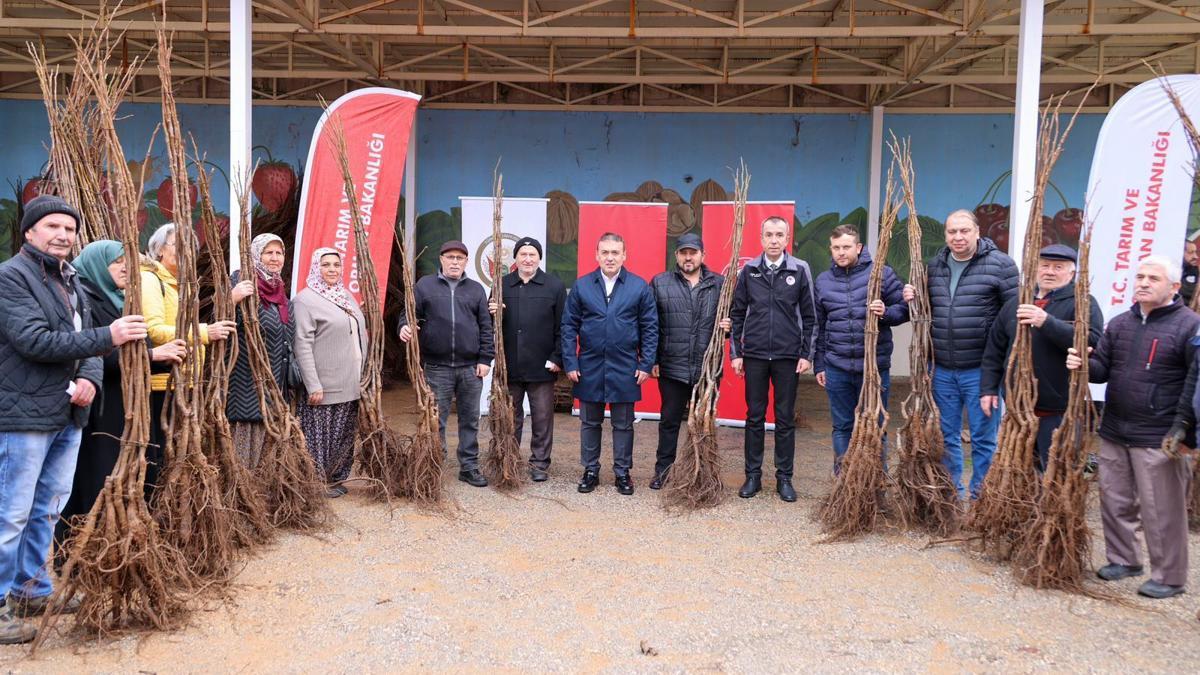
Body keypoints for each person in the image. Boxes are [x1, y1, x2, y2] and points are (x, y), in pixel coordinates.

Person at [0, 196, 149, 644]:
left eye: (69, 228)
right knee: (11, 513)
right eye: (52, 226)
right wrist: (109, 335)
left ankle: (32, 591)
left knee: (46, 510)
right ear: (29, 232)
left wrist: (89, 379)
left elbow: (82, 342)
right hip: (22, 414)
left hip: (67, 413)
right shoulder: (11, 278)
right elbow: (33, 340)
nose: (62, 235)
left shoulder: (72, 280)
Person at [1067, 256, 1199, 599]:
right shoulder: (1121, 323)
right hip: (1115, 429)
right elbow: (1102, 371)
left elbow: (1194, 382)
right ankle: (1124, 559)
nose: (1142, 282)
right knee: (1115, 498)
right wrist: (1083, 362)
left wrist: (1183, 429)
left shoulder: (1188, 326)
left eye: (1152, 278)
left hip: (1158, 434)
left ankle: (1170, 577)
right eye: (1139, 276)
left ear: (1172, 287)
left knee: (1161, 508)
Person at [55, 241, 185, 558]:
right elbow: (93, 355)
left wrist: (156, 357)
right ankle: (75, 556)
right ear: (98, 266)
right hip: (101, 407)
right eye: (116, 263)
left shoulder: (121, 300)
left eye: (128, 261)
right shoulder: (85, 301)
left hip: (126, 402)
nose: (126, 267)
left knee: (120, 476)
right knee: (94, 479)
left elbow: (131, 351)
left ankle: (110, 552)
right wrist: (153, 354)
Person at [903, 209, 1017, 499]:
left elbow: (1013, 319)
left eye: (964, 231)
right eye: (952, 232)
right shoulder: (935, 266)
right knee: (946, 437)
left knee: (983, 438)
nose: (958, 237)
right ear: (945, 235)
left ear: (978, 232)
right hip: (941, 368)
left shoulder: (1001, 265)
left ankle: (982, 500)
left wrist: (1005, 369)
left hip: (981, 370)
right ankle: (953, 496)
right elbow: (924, 310)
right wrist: (911, 297)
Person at [979, 244, 1103, 471]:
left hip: (1059, 411)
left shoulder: (1083, 302)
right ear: (1035, 269)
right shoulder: (1016, 303)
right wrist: (988, 389)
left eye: (1058, 267)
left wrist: (1046, 322)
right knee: (1020, 474)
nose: (1050, 271)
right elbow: (994, 350)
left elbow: (1092, 341)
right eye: (1044, 265)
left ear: (1072, 273)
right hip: (1018, 410)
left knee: (1056, 473)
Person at [142, 223, 236, 491]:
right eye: (178, 246)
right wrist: (206, 332)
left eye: (190, 248)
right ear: (159, 250)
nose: (186, 253)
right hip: (163, 385)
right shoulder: (152, 280)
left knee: (176, 453)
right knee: (159, 453)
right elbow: (154, 331)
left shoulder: (178, 285)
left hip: (184, 382)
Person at [562, 232, 658, 495]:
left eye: (615, 252)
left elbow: (650, 328)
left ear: (624, 255)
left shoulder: (638, 287)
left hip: (626, 366)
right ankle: (590, 470)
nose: (610, 257)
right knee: (589, 422)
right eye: (605, 252)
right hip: (589, 366)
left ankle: (622, 472)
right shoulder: (582, 286)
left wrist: (646, 363)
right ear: (596, 255)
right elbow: (568, 326)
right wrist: (570, 362)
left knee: (623, 424)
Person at [729, 215, 817, 503]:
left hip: (787, 356)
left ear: (787, 237)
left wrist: (806, 354)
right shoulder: (749, 270)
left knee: (784, 418)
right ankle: (753, 475)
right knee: (754, 417)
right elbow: (738, 313)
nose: (775, 240)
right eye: (769, 234)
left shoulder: (800, 269)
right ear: (761, 238)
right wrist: (736, 353)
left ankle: (784, 478)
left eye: (780, 234)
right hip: (754, 355)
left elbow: (810, 316)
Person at [813, 224, 908, 475]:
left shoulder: (881, 274)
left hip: (874, 367)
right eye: (836, 248)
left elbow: (904, 310)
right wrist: (820, 364)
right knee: (842, 426)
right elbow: (819, 326)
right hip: (837, 367)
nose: (841, 252)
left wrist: (885, 313)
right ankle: (844, 481)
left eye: (846, 247)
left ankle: (875, 480)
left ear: (858, 247)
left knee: (875, 425)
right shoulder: (823, 281)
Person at [399, 240, 494, 488]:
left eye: (459, 258)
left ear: (465, 262)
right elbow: (409, 313)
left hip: (470, 367)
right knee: (435, 419)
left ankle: (469, 467)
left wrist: (485, 359)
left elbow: (486, 326)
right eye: (450, 257)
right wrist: (404, 326)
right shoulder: (425, 286)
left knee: (470, 418)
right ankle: (434, 465)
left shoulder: (476, 290)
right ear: (441, 259)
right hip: (437, 366)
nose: (455, 262)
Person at [649, 233, 727, 488]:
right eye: (683, 252)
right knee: (669, 421)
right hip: (672, 366)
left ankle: (700, 472)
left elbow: (732, 322)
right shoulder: (660, 283)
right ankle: (663, 472)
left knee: (703, 423)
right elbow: (652, 326)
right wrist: (653, 359)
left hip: (707, 368)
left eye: (693, 252)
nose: (688, 257)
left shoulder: (720, 284)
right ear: (677, 256)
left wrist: (730, 327)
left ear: (703, 255)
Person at [488, 237, 566, 482]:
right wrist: (494, 316)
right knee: (510, 418)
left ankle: (539, 464)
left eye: (533, 255)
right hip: (509, 366)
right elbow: (489, 326)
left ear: (539, 258)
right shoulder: (501, 285)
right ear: (516, 258)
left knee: (542, 418)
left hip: (542, 366)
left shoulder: (553, 286)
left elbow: (563, 327)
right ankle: (509, 460)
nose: (528, 259)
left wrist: (557, 357)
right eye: (523, 254)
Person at [292, 248, 366, 497]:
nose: (332, 269)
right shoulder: (305, 300)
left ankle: (335, 478)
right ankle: (316, 482)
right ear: (315, 268)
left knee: (343, 434)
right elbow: (302, 343)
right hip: (324, 383)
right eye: (326, 265)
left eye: (336, 264)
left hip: (350, 381)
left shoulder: (344, 296)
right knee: (320, 436)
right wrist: (313, 384)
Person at [227, 233, 292, 468]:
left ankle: (260, 493)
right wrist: (231, 299)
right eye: (268, 252)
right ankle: (241, 493)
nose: (275, 258)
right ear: (256, 254)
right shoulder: (241, 282)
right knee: (244, 445)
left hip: (274, 380)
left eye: (279, 253)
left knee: (267, 442)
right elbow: (219, 322)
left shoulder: (278, 288)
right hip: (247, 380)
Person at [1181, 234, 1198, 305]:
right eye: (1190, 253)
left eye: (1195, 252)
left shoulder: (1196, 271)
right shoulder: (1165, 271)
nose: (1196, 257)